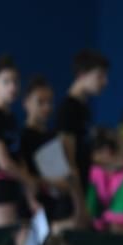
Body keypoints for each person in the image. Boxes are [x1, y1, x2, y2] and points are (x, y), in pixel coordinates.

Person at [0, 55, 37, 227]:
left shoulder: (10, 118)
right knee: (2, 241)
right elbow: (4, 162)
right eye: (6, 81)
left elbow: (17, 156)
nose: (12, 87)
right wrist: (29, 180)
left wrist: (29, 191)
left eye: (15, 81)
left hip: (13, 188)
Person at [55, 48, 109, 228]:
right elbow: (67, 163)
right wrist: (79, 205)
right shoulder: (68, 109)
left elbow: (85, 157)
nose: (105, 82)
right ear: (82, 75)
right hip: (68, 200)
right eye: (99, 76)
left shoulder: (83, 109)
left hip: (80, 194)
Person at [20, 76, 75, 233]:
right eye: (40, 102)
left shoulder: (55, 138)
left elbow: (66, 175)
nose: (46, 107)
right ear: (26, 103)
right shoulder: (22, 137)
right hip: (34, 210)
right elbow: (23, 176)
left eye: (50, 102)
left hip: (59, 208)